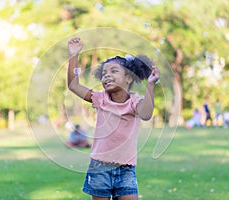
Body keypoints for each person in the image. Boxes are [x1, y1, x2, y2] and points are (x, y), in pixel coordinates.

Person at [68, 37, 160, 200]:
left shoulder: (134, 102)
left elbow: (146, 114)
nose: (107, 76)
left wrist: (150, 85)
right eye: (104, 73)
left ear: (129, 78)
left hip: (126, 169)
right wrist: (74, 56)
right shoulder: (100, 99)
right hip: (100, 167)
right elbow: (73, 86)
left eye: (114, 71)